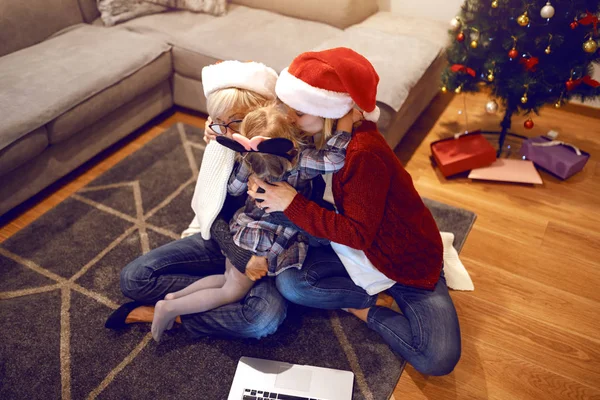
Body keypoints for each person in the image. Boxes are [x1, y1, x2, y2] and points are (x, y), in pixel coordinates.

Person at [248, 48, 462, 376]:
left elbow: (358, 234)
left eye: (300, 112)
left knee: (438, 358)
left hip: (404, 260)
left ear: (332, 109)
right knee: (292, 284)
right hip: (359, 251)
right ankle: (367, 297)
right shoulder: (329, 136)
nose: (292, 119)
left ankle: (368, 309)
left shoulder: (364, 154)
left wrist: (290, 202)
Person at [105, 61, 288, 340]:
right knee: (134, 278)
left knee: (260, 322)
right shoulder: (220, 143)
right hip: (224, 241)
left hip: (268, 253)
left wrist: (254, 259)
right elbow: (209, 211)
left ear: (263, 111)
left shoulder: (285, 152)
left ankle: (171, 314)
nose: (226, 132)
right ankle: (216, 298)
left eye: (235, 120)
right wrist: (239, 257)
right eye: (218, 122)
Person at [149, 102, 355, 342]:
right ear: (292, 140)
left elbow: (233, 188)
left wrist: (242, 161)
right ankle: (172, 309)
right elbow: (334, 158)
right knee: (230, 291)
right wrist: (346, 119)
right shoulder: (302, 162)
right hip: (263, 241)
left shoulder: (249, 162)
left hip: (243, 230)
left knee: (228, 279)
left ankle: (175, 298)